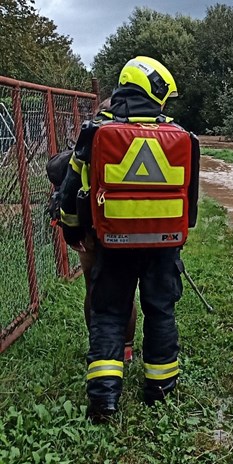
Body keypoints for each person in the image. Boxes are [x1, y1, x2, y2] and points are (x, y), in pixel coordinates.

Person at [59, 56, 200, 422]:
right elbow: (192, 204)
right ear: (154, 92)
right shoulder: (182, 135)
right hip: (164, 245)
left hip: (111, 243)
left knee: (108, 314)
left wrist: (73, 231)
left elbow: (71, 188)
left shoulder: (95, 130)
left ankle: (104, 402)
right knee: (160, 311)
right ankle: (161, 390)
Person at [47, 98, 138, 363]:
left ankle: (98, 346)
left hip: (91, 232)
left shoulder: (89, 141)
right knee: (127, 292)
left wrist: (73, 233)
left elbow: (70, 190)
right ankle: (126, 349)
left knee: (93, 288)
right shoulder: (135, 143)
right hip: (127, 230)